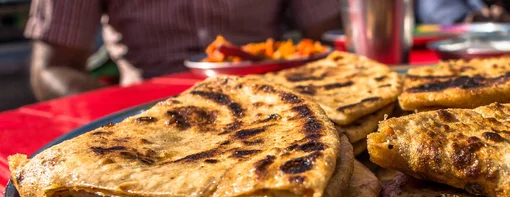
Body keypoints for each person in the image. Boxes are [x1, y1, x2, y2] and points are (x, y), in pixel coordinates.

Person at [25, 0, 341, 101]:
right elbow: (53, 68)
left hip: (276, 103)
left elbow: (332, 33)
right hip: (145, 114)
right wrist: (118, 119)